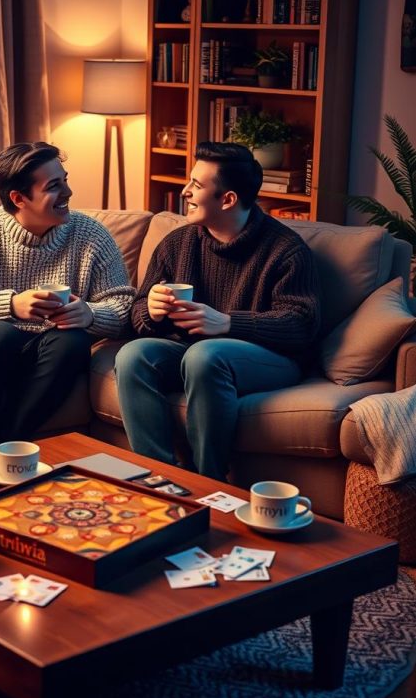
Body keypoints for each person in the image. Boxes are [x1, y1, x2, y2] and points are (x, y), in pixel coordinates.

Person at [114, 141, 321, 481]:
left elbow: (302, 324)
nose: (185, 191)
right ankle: (158, 478)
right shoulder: (177, 243)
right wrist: (150, 310)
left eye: (196, 185)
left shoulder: (285, 250)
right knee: (133, 356)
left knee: (205, 356)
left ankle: (206, 481)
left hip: (272, 359)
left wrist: (227, 323)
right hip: (192, 351)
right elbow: (136, 315)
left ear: (228, 199)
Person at [0, 142, 134, 451]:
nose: (68, 192)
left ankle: (7, 447)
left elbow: (125, 306)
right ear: (18, 198)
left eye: (65, 180)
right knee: (1, 333)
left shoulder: (91, 236)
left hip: (47, 354)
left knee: (73, 341)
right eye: (54, 186)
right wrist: (9, 305)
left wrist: (90, 314)